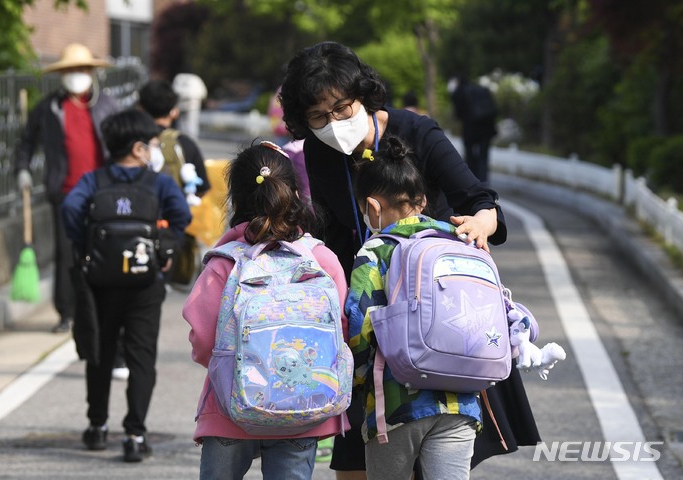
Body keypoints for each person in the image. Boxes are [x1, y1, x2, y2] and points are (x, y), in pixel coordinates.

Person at [279, 41, 539, 478]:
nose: (333, 123)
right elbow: (334, 235)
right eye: (318, 117)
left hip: (435, 315)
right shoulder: (320, 153)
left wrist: (479, 226)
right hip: (368, 319)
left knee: (436, 449)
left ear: (362, 94)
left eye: (341, 108)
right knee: (356, 459)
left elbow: (480, 201)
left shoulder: (417, 132)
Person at [182, 141, 350, 480]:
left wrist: (235, 367)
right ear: (295, 194)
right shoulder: (321, 259)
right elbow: (340, 333)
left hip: (232, 408)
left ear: (238, 198)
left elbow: (203, 341)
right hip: (303, 407)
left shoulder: (225, 263)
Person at [61, 109, 191, 462]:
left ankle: (98, 427)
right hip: (145, 284)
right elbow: (182, 215)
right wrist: (166, 246)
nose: (152, 150)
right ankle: (135, 433)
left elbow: (71, 209)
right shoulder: (158, 183)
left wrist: (87, 247)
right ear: (137, 149)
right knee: (141, 357)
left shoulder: (94, 180)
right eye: (149, 145)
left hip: (101, 282)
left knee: (100, 353)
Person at [347, 136, 480, 479]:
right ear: (422, 200)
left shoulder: (375, 251)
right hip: (462, 398)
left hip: (396, 403)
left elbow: (360, 325)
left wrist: (356, 385)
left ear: (372, 207)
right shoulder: (458, 240)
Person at [14, 43, 120, 333]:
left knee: (102, 251)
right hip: (65, 191)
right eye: (71, 70)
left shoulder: (107, 105)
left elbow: (121, 142)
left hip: (101, 191)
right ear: (62, 74)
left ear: (91, 72)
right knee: (66, 254)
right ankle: (66, 312)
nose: (77, 75)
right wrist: (22, 169)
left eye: (82, 69)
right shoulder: (49, 107)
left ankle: (101, 309)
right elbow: (26, 141)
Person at [138, 79, 211, 285]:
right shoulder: (185, 143)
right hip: (172, 228)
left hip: (139, 223)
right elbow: (202, 187)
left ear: (141, 108)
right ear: (174, 111)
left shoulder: (133, 143)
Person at [449, 76, 498, 183]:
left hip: (470, 128)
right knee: (483, 157)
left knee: (470, 156)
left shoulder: (459, 92)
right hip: (487, 128)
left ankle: (473, 182)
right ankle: (484, 181)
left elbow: (458, 114)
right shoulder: (480, 90)